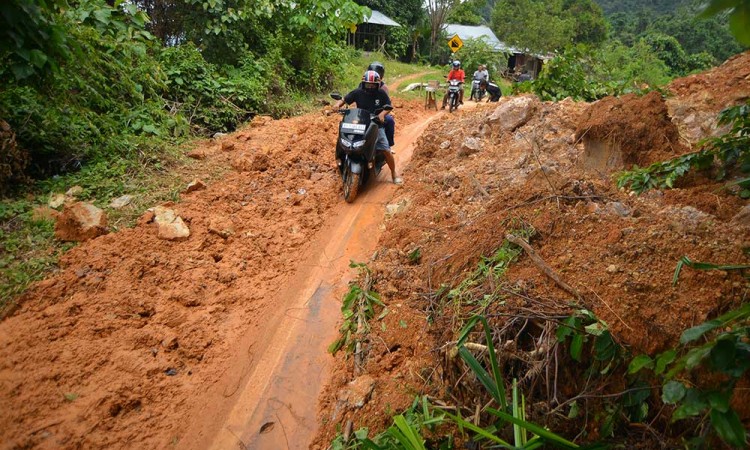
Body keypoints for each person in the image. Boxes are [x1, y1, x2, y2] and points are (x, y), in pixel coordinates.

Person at [333, 70, 402, 184]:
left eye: (372, 85)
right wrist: (337, 105)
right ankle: (343, 162)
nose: (370, 87)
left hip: (375, 124)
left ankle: (394, 174)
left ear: (377, 85)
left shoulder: (381, 93)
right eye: (368, 84)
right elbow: (345, 99)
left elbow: (389, 106)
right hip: (360, 122)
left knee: (385, 149)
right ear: (363, 83)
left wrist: (382, 114)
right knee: (345, 140)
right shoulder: (358, 92)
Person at [367, 61, 396, 148]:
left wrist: (382, 113)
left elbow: (387, 103)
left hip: (378, 113)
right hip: (364, 112)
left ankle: (389, 145)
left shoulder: (383, 88)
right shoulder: (362, 85)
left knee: (390, 121)